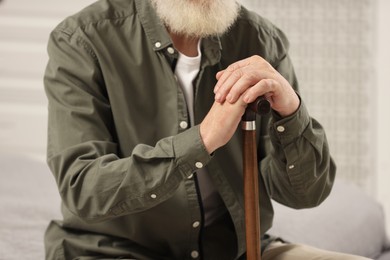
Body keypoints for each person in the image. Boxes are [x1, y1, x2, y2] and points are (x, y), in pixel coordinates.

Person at [43, 0, 370, 259]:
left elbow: (305, 194)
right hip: (115, 251)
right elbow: (83, 188)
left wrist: (291, 110)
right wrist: (203, 139)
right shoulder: (82, 39)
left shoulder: (261, 39)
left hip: (239, 251)